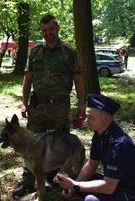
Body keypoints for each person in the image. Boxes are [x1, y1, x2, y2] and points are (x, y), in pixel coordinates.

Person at [15, 14, 85, 197]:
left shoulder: (69, 53)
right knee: (31, 144)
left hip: (60, 108)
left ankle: (52, 180)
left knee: (58, 145)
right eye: (45, 30)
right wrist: (24, 102)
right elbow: (28, 77)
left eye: (51, 29)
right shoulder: (35, 51)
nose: (48, 33)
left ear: (58, 28)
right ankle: (28, 182)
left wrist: (81, 104)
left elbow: (78, 78)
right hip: (37, 107)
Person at [56, 94, 135, 201]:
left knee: (92, 199)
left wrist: (75, 186)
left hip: (132, 191)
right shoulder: (99, 134)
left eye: (90, 117)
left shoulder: (119, 145)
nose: (86, 121)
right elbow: (91, 165)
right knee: (75, 177)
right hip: (115, 183)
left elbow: (108, 187)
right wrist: (73, 187)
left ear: (105, 119)